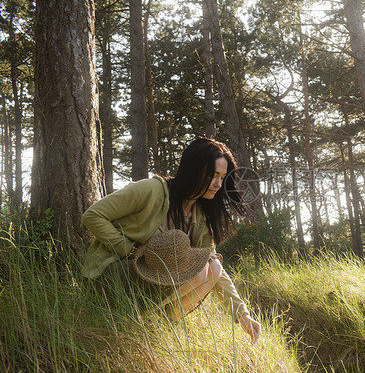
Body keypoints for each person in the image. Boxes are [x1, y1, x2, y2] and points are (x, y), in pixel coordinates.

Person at [81, 137, 261, 344]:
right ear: (194, 171)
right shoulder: (150, 189)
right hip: (112, 274)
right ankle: (139, 324)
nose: (219, 184)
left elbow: (214, 266)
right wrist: (129, 249)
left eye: (222, 177)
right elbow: (92, 216)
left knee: (212, 267)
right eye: (213, 176)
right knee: (204, 267)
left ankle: (155, 327)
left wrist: (242, 314)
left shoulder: (199, 212)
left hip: (151, 280)